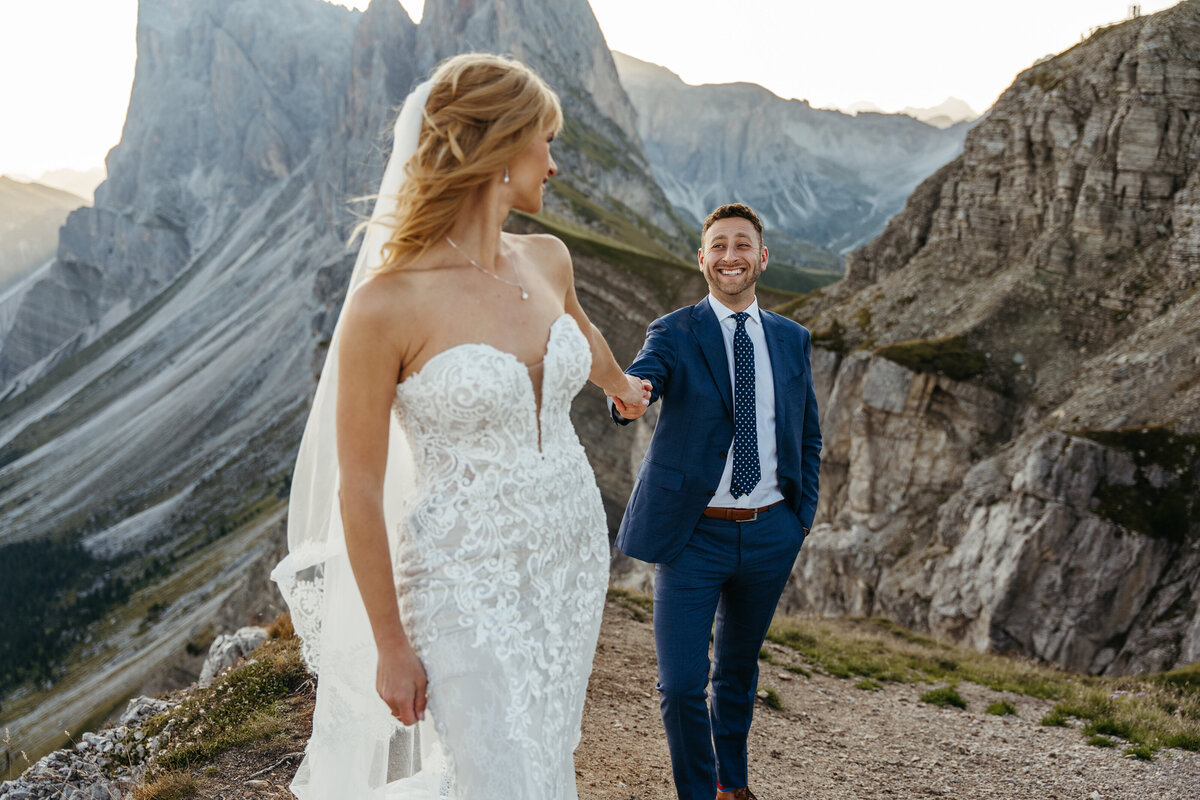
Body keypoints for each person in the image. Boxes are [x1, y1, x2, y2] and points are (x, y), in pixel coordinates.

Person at [272, 53, 650, 800]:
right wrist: (389, 644)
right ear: (500, 148)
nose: (553, 162)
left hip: (570, 563)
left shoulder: (548, 258)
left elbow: (580, 333)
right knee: (500, 776)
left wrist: (621, 385)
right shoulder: (387, 304)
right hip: (461, 582)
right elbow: (359, 487)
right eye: (546, 140)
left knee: (544, 755)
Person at [611, 203, 821, 800]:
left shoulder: (791, 338)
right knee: (681, 686)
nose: (731, 256)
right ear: (702, 258)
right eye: (719, 246)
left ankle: (733, 786)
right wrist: (633, 395)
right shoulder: (674, 331)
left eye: (742, 245)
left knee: (736, 672)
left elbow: (807, 432)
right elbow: (644, 376)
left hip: (770, 533)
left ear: (762, 257)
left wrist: (798, 518)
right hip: (692, 537)